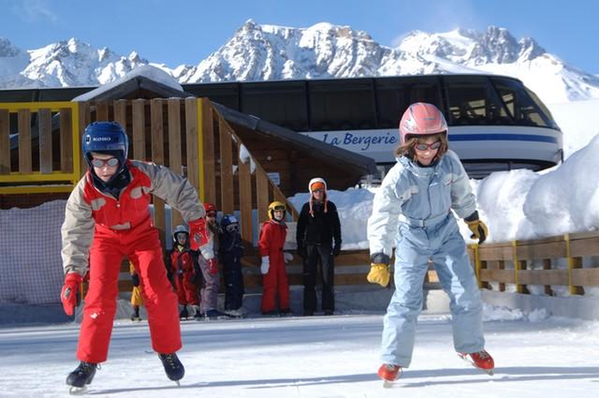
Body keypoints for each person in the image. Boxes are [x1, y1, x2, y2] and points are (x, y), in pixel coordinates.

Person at [60, 121, 214, 392]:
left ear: (123, 157)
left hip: (142, 235)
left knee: (158, 292)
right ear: (89, 160)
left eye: (111, 161)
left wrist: (197, 221)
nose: (105, 168)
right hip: (104, 239)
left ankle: (167, 351)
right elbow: (75, 234)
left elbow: (179, 189)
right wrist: (73, 274)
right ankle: (88, 362)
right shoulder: (83, 192)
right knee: (98, 298)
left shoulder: (143, 173)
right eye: (97, 162)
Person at [366, 102, 494, 384]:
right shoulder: (398, 176)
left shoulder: (450, 162)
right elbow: (384, 216)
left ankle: (471, 347)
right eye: (421, 146)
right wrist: (380, 256)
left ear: (443, 141)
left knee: (466, 291)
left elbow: (461, 192)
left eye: (434, 145)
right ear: (408, 144)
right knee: (406, 299)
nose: (428, 152)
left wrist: (471, 219)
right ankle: (393, 358)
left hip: (446, 231)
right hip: (411, 235)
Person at [296, 178, 342, 316]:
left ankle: (328, 307)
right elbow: (300, 228)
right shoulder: (306, 207)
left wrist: (338, 243)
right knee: (309, 278)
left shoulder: (331, 206)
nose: (318, 193)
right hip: (310, 247)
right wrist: (300, 245)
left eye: (321, 190)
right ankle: (309, 308)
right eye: (316, 191)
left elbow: (336, 226)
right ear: (312, 192)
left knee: (327, 277)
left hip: (326, 246)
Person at [259, 201, 291, 316]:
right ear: (271, 213)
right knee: (270, 284)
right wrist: (265, 260)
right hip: (270, 258)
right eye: (276, 212)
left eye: (281, 212)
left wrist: (284, 253)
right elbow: (263, 244)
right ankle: (268, 308)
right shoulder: (268, 227)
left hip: (279, 257)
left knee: (283, 283)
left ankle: (284, 306)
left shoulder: (282, 227)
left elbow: (280, 243)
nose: (279, 214)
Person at [196, 203, 228, 319]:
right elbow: (203, 244)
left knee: (207, 282)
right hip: (207, 256)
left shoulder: (213, 226)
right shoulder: (204, 227)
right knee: (212, 282)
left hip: (210, 255)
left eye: (214, 215)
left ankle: (204, 307)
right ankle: (209, 307)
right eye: (209, 215)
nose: (212, 218)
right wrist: (210, 258)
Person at [167, 225, 202, 320]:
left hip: (187, 275)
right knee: (179, 292)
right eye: (180, 237)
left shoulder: (190, 252)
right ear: (175, 238)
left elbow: (194, 264)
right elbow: (170, 266)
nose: (182, 239)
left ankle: (196, 309)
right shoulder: (172, 253)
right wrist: (171, 276)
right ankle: (183, 309)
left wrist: (194, 275)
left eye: (184, 237)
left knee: (190, 292)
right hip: (177, 276)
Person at [219, 214, 246, 317]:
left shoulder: (237, 237)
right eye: (231, 228)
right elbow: (226, 250)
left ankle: (238, 305)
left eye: (235, 228)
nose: (234, 230)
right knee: (232, 287)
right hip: (229, 266)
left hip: (237, 264)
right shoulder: (225, 238)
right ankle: (230, 307)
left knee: (240, 286)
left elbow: (240, 250)